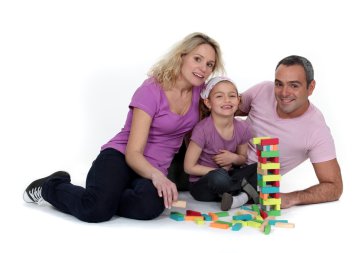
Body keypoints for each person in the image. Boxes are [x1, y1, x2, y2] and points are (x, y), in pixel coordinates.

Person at [23, 32, 225, 222]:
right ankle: (52, 186)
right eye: (197, 59)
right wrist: (157, 177)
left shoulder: (202, 93)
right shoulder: (152, 90)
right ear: (182, 57)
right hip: (121, 157)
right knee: (95, 211)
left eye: (209, 64)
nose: (203, 68)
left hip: (155, 167)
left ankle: (105, 197)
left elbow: (229, 103)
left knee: (150, 207)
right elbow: (133, 152)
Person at [238, 55, 343, 209]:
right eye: (279, 84)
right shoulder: (263, 90)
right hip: (211, 157)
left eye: (294, 85)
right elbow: (223, 108)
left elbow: (334, 187)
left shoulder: (316, 130)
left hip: (249, 181)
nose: (284, 93)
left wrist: (292, 197)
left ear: (311, 87)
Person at [184, 77, 259, 211]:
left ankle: (236, 198)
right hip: (204, 184)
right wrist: (220, 171)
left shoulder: (243, 127)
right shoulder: (202, 129)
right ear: (208, 102)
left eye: (232, 96)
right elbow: (189, 167)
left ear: (238, 100)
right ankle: (246, 193)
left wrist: (234, 158)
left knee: (260, 168)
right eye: (219, 96)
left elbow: (242, 158)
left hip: (230, 176)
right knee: (219, 178)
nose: (227, 100)